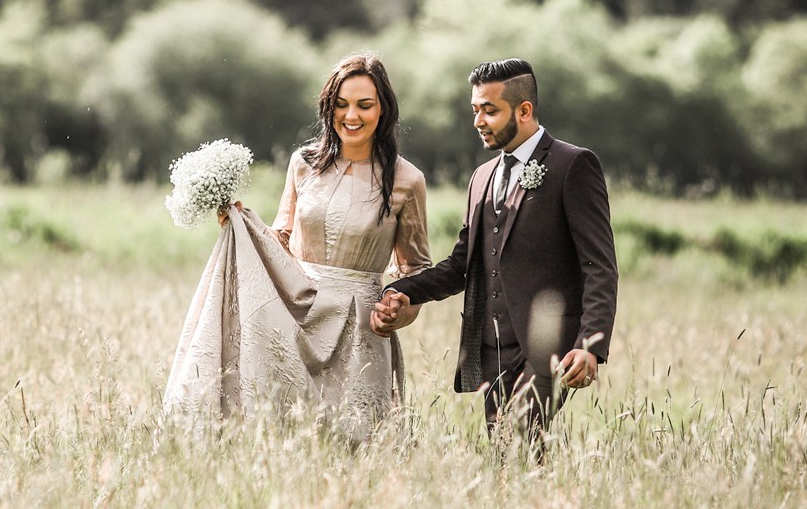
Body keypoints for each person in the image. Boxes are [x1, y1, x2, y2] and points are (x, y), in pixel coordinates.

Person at [164, 53, 432, 442]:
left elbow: (416, 269)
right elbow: (281, 239)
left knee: (358, 441)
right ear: (328, 108)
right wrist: (242, 224)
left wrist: (401, 309)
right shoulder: (303, 163)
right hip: (299, 313)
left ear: (384, 110)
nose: (351, 115)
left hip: (362, 326)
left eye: (364, 105)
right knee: (290, 433)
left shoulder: (408, 179)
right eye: (341, 105)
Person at [371, 58, 617, 449]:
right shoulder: (482, 177)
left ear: (524, 110)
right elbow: (461, 265)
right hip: (492, 347)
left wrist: (589, 346)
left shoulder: (573, 165)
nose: (478, 121)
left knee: (521, 438)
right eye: (475, 110)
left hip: (550, 347)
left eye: (489, 110)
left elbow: (599, 266)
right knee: (506, 453)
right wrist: (404, 290)